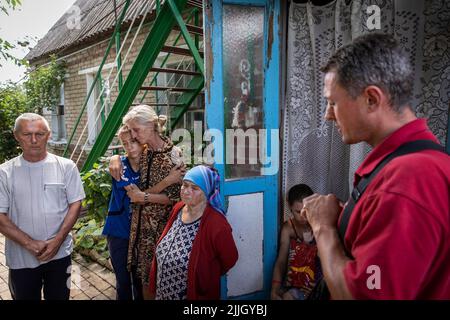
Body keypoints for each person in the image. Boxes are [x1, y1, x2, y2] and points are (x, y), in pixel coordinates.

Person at [301, 33, 450, 299]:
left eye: (333, 102)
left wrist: (323, 226)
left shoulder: (406, 180)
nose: (327, 114)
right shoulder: (417, 163)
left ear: (371, 99)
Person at [0, 113, 85, 300]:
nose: (33, 140)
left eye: (39, 134)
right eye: (26, 134)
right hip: (21, 258)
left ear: (48, 135)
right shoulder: (4, 172)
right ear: (16, 136)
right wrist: (30, 244)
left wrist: (57, 242)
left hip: (61, 254)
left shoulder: (66, 166)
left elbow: (75, 203)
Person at [109, 105, 184, 299]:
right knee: (143, 281)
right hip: (139, 231)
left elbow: (177, 199)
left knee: (160, 283)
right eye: (131, 130)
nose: (133, 135)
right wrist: (114, 157)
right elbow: (136, 194)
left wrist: (144, 197)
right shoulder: (144, 152)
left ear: (151, 125)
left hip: (162, 230)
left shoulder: (174, 155)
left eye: (136, 130)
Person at [148, 165, 238, 300]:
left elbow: (230, 259)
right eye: (184, 185)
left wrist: (206, 272)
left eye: (194, 188)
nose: (186, 191)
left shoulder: (217, 224)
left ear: (206, 191)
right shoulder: (178, 208)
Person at [271, 184, 322, 300]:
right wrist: (274, 289)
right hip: (297, 282)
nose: (303, 216)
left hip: (318, 281)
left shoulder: (319, 224)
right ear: (289, 206)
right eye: (298, 212)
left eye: (306, 210)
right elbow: (281, 261)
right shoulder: (288, 229)